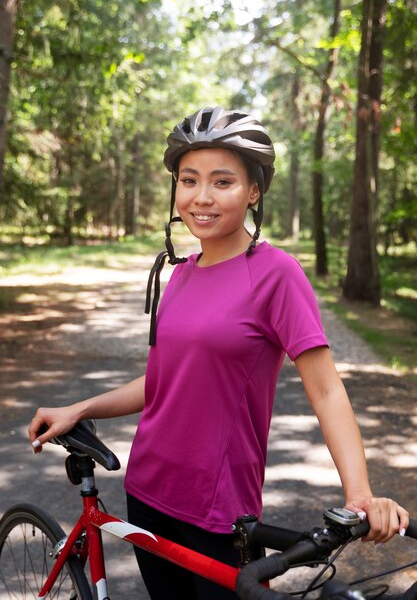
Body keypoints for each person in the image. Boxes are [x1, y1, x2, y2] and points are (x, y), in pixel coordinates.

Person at [29, 107, 408, 600]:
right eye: (189, 180)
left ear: (253, 192)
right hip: (147, 492)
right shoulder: (182, 272)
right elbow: (166, 380)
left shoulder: (277, 274)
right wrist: (79, 408)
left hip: (220, 514)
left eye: (222, 181)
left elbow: (326, 389)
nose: (201, 197)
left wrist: (359, 494)